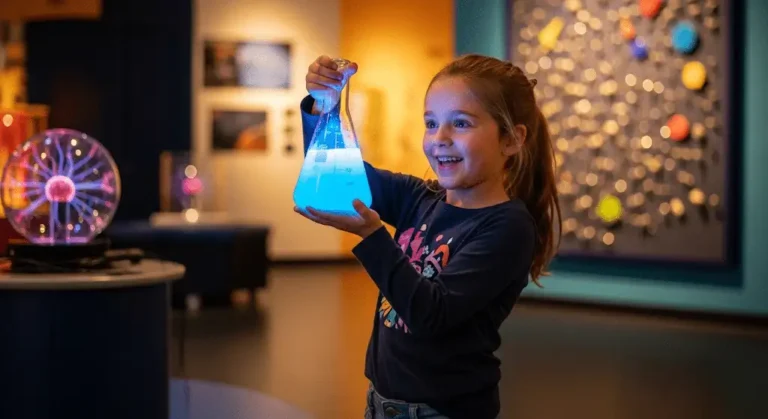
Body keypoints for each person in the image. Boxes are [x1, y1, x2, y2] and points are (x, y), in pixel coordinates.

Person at [294, 54, 561, 419]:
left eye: (461, 124)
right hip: (380, 404)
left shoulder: (508, 227)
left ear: (512, 140)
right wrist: (323, 105)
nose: (440, 139)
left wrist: (372, 235)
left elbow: (430, 314)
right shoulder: (419, 198)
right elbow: (337, 173)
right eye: (431, 123)